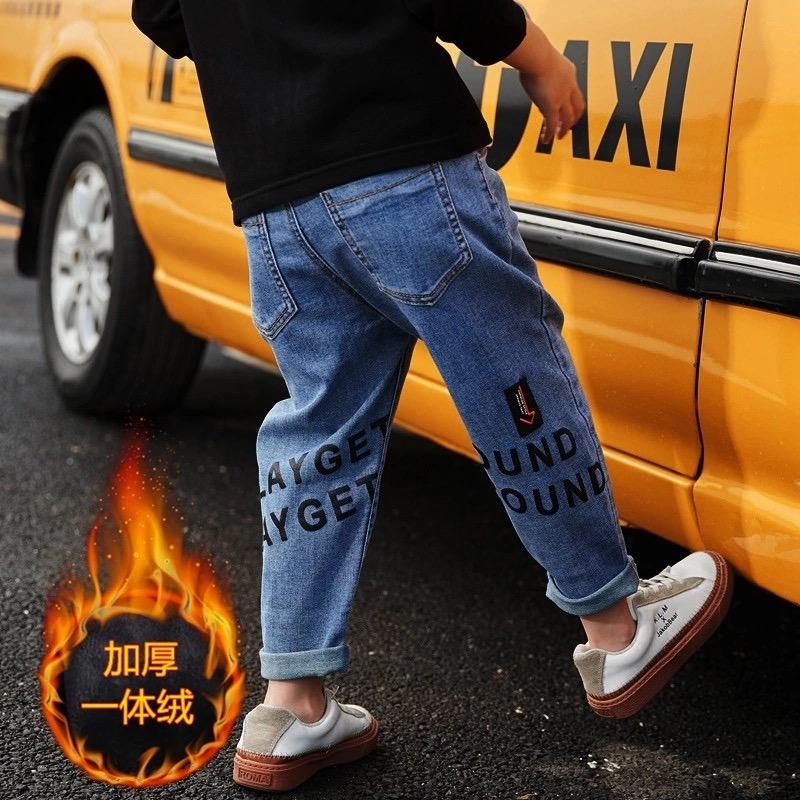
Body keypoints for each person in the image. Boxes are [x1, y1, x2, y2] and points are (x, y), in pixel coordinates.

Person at [132, 1, 733, 792]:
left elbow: (158, 10)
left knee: (321, 430)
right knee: (513, 381)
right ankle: (617, 628)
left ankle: (291, 704)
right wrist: (537, 57)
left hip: (275, 200)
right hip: (401, 159)